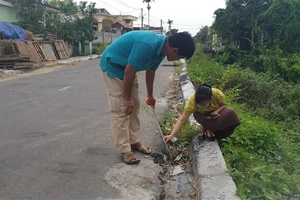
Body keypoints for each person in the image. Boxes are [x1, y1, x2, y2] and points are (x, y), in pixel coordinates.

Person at [100, 30, 195, 165]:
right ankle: (125, 150)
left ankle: (134, 141)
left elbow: (151, 71)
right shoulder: (148, 45)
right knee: (122, 108)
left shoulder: (162, 50)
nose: (178, 60)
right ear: (174, 50)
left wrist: (150, 95)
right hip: (114, 67)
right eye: (180, 57)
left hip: (128, 70)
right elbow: (129, 71)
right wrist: (127, 98)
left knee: (135, 106)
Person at [163, 83, 241, 143]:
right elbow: (182, 120)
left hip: (216, 113)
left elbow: (223, 105)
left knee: (231, 113)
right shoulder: (191, 102)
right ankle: (206, 128)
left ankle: (209, 128)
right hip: (202, 116)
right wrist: (171, 135)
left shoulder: (217, 94)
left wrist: (216, 112)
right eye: (199, 104)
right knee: (214, 124)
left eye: (203, 104)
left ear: (210, 99)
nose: (201, 106)